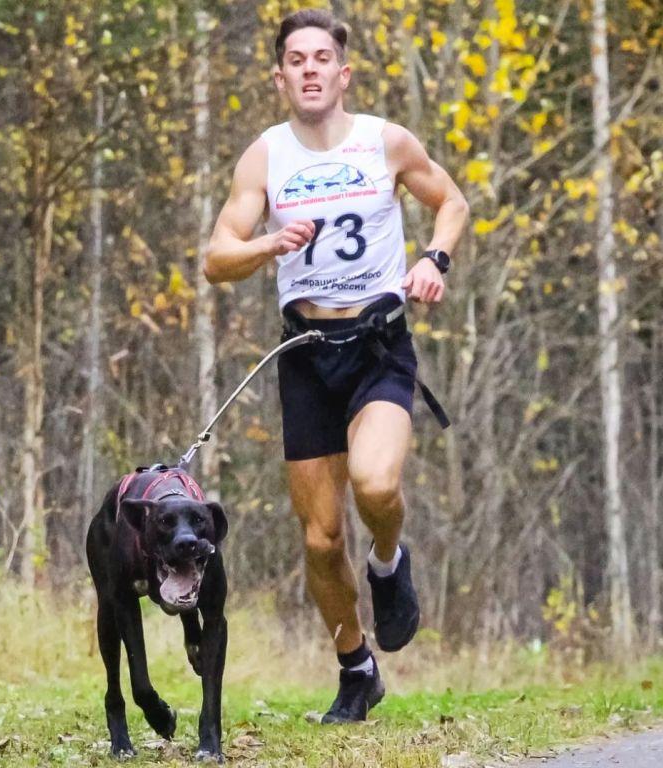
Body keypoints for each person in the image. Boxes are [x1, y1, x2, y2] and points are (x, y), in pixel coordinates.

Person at [204, 9, 469, 723]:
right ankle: (356, 667)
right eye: (298, 59)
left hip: (379, 344)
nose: (312, 68)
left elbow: (452, 201)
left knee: (375, 482)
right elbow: (215, 257)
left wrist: (433, 259)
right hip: (305, 354)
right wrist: (266, 246)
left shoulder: (385, 141)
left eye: (323, 57)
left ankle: (388, 561)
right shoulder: (265, 157)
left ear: (343, 73)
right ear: (281, 76)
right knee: (320, 537)